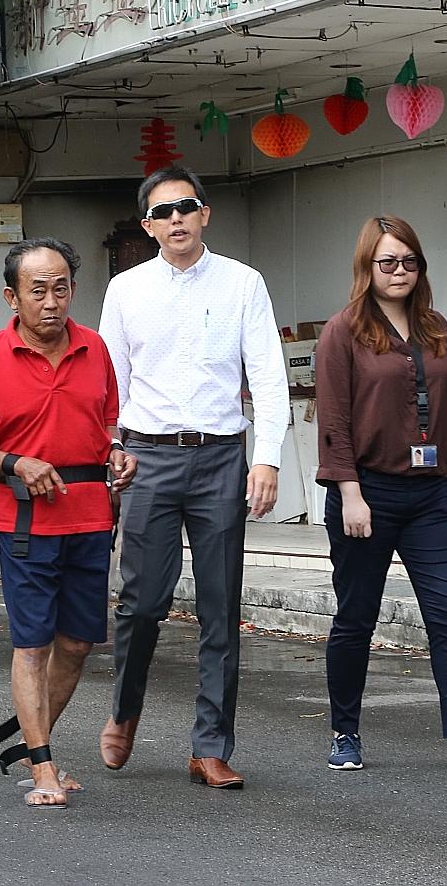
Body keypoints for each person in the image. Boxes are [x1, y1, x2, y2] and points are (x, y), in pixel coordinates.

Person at [97, 165, 289, 789]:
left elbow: (268, 375)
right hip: (146, 459)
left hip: (219, 458)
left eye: (186, 206)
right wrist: (112, 447)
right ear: (148, 225)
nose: (175, 218)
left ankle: (211, 745)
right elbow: (111, 382)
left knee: (220, 607)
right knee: (141, 602)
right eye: (162, 211)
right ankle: (125, 708)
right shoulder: (125, 290)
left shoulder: (243, 283)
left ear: (205, 213)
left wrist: (267, 457)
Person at [315, 216, 447, 774]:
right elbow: (333, 420)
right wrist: (349, 491)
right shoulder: (344, 331)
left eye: (409, 261)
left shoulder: (436, 328)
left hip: (429, 494)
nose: (399, 271)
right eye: (387, 262)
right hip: (367, 492)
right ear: (367, 267)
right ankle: (345, 733)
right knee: (356, 617)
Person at [0, 238, 138, 809]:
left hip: (90, 515)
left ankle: (34, 740)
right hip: (25, 522)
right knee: (32, 645)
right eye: (38, 291)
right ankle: (42, 766)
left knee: (77, 643)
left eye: (61, 289)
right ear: (13, 297)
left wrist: (117, 454)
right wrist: (14, 463)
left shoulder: (95, 348)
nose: (51, 301)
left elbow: (108, 423)